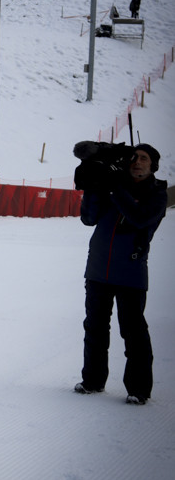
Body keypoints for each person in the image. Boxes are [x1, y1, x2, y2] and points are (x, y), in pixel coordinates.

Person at [74, 145, 167, 404]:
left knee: (133, 332)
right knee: (94, 328)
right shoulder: (112, 185)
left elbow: (139, 217)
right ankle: (92, 381)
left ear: (153, 166)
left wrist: (115, 187)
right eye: (134, 157)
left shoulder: (158, 194)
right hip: (97, 270)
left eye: (144, 159)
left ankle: (138, 389)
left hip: (131, 272)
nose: (137, 162)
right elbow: (89, 218)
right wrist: (94, 185)